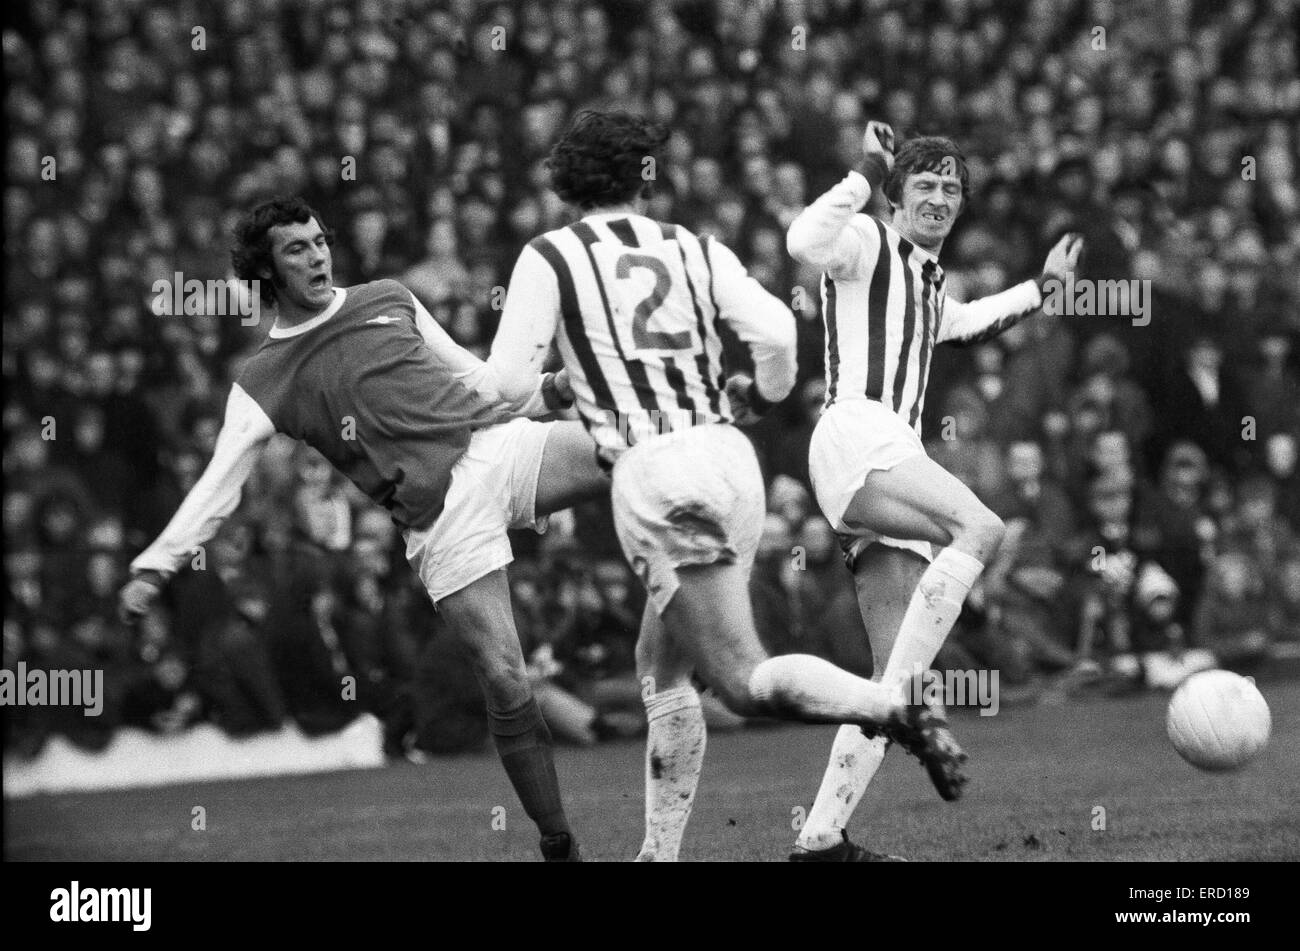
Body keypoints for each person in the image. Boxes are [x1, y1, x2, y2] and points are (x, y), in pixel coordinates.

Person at [487, 110, 949, 863]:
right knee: (661, 662)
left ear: (566, 178)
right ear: (646, 173)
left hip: (656, 473)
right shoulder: (694, 247)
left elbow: (506, 384)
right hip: (731, 459)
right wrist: (763, 395)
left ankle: (890, 703)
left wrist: (534, 390)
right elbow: (776, 332)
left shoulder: (552, 255)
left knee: (738, 677)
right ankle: (657, 854)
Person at [117, 197, 608, 862]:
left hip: (499, 449)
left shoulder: (390, 295)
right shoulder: (264, 377)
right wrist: (156, 563)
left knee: (630, 449)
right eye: (297, 248)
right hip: (442, 517)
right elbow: (216, 486)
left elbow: (480, 381)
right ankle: (558, 839)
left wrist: (548, 390)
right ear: (266, 270)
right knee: (506, 677)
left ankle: (683, 643)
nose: (318, 254)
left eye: (320, 241)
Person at [785, 122, 1084, 860]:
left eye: (952, 188)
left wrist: (1042, 289)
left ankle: (821, 836)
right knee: (980, 528)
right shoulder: (861, 241)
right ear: (895, 196)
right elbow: (800, 242)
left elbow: (971, 323)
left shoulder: (928, 280)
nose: (941, 197)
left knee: (894, 676)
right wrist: (864, 170)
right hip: (858, 430)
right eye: (925, 184)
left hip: (887, 458)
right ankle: (916, 715)